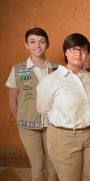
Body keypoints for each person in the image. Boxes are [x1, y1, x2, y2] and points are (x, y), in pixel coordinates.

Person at [36, 33, 90, 181]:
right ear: (66, 51)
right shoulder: (51, 80)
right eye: (74, 49)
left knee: (86, 177)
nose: (78, 53)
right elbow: (42, 109)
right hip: (64, 137)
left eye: (83, 50)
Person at [5, 27, 57, 181]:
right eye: (32, 42)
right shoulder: (18, 69)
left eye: (42, 41)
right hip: (27, 126)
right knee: (38, 165)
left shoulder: (57, 69)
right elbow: (12, 100)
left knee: (53, 162)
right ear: (26, 45)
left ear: (48, 44)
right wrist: (20, 120)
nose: (37, 45)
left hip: (52, 125)